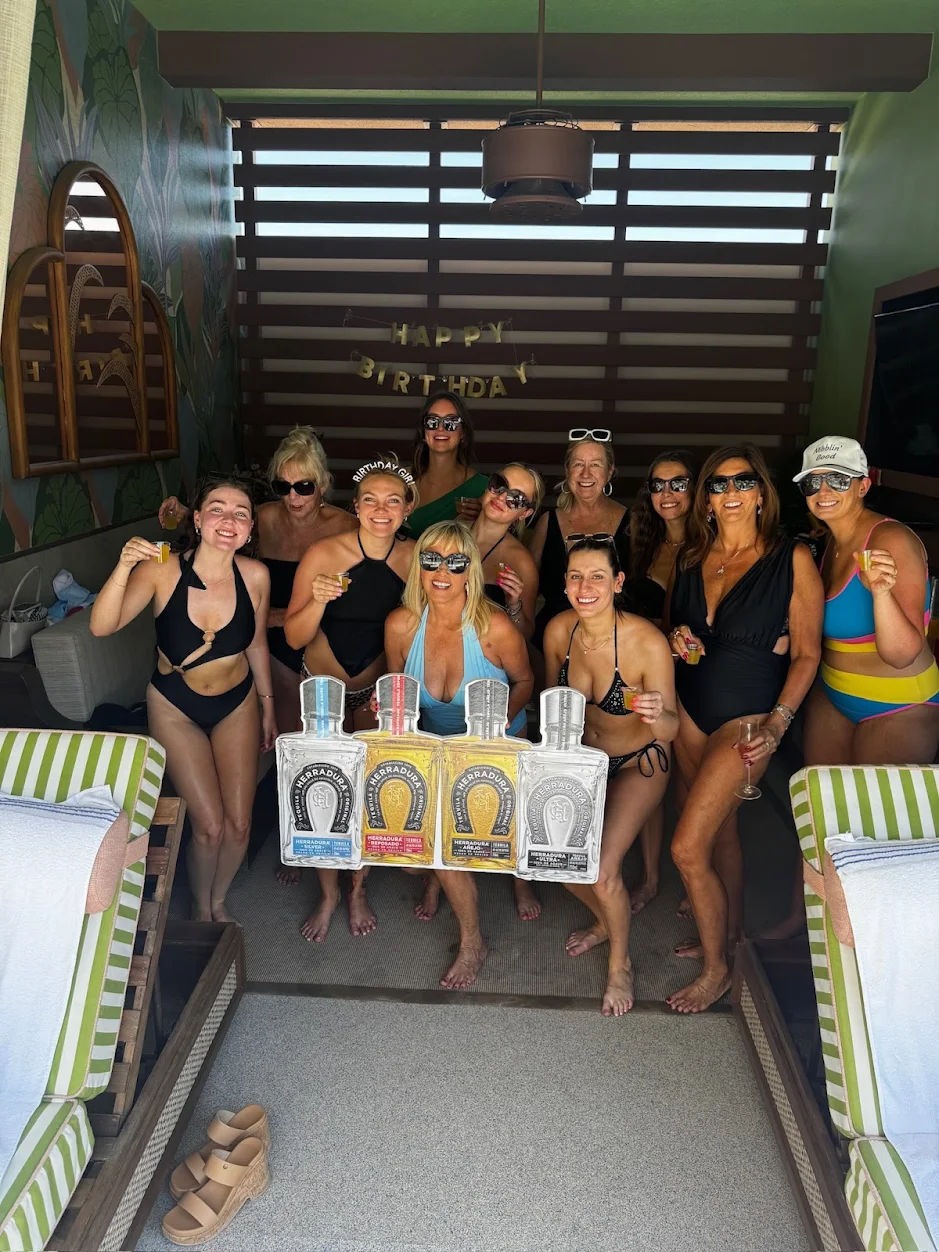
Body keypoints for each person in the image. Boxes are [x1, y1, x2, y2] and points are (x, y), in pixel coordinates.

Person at [666, 445, 823, 1013]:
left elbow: (806, 654)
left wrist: (779, 723)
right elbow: (675, 633)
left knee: (686, 847)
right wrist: (677, 641)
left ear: (761, 492)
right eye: (718, 484)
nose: (730, 493)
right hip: (689, 713)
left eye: (743, 482)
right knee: (721, 837)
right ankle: (726, 939)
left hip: (747, 722)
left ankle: (717, 972)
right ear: (706, 498)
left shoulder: (791, 558)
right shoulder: (691, 555)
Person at [763, 436, 939, 941]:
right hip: (835, 696)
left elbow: (904, 651)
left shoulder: (892, 541)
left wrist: (881, 593)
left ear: (864, 484)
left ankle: (863, 947)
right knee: (820, 818)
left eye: (838, 479)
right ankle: (804, 924)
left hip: (898, 706)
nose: (825, 490)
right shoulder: (826, 542)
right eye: (815, 480)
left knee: (870, 832)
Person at [91, 475, 277, 923]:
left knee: (240, 825)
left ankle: (217, 900)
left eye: (240, 512)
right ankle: (198, 905)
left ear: (251, 528)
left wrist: (268, 705)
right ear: (196, 518)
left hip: (237, 702)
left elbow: (255, 643)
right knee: (209, 826)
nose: (228, 519)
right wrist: (122, 566)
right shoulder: (161, 569)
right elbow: (102, 626)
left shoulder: (255, 575)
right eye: (217, 508)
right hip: (175, 706)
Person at [384, 521, 534, 987]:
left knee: (465, 832)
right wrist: (390, 710)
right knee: (439, 837)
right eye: (432, 560)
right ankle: (473, 940)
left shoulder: (496, 628)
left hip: (498, 743)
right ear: (419, 567)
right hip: (439, 750)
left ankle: (506, 877)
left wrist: (491, 732)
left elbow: (527, 681)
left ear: (471, 568)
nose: (442, 571)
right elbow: (401, 694)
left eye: (456, 561)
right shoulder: (401, 625)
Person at [543, 536, 679, 1016]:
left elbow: (673, 727)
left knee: (601, 869)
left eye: (598, 576)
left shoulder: (646, 641)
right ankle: (606, 920)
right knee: (555, 859)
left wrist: (655, 712)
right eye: (576, 576)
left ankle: (620, 964)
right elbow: (552, 710)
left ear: (618, 582)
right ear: (563, 584)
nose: (586, 586)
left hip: (639, 762)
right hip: (583, 765)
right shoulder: (559, 633)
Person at [284, 457, 417, 943]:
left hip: (373, 698)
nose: (381, 509)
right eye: (371, 500)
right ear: (356, 507)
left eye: (392, 501)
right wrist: (318, 598)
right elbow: (296, 637)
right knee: (322, 793)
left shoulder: (415, 558)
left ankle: (357, 888)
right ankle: (328, 893)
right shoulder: (323, 553)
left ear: (406, 510)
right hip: (322, 692)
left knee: (362, 794)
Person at [158, 427, 356, 740]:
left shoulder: (346, 527)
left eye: (304, 486)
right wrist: (184, 514)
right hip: (267, 633)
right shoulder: (260, 519)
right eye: (283, 485)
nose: (293, 496)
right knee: (290, 714)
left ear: (323, 485)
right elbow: (218, 530)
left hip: (322, 629)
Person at [625, 450, 696, 914]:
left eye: (678, 484)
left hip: (696, 672)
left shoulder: (712, 547)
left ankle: (694, 882)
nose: (667, 494)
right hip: (648, 666)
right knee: (649, 765)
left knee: (690, 780)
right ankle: (651, 878)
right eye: (658, 485)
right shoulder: (645, 542)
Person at [530, 430, 628, 651]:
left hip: (616, 643)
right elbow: (528, 592)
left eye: (595, 465)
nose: (585, 474)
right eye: (578, 464)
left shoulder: (633, 522)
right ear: (567, 470)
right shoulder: (548, 522)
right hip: (555, 639)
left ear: (609, 471)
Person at [472, 462, 544, 640]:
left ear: (524, 513)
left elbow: (525, 634)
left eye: (516, 498)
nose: (502, 496)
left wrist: (514, 605)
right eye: (499, 484)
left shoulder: (521, 562)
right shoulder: (449, 533)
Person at [404, 391, 489, 537]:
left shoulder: (484, 489)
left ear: (463, 433)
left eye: (451, 422)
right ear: (424, 431)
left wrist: (485, 517)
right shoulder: (401, 479)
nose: (441, 428)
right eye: (432, 421)